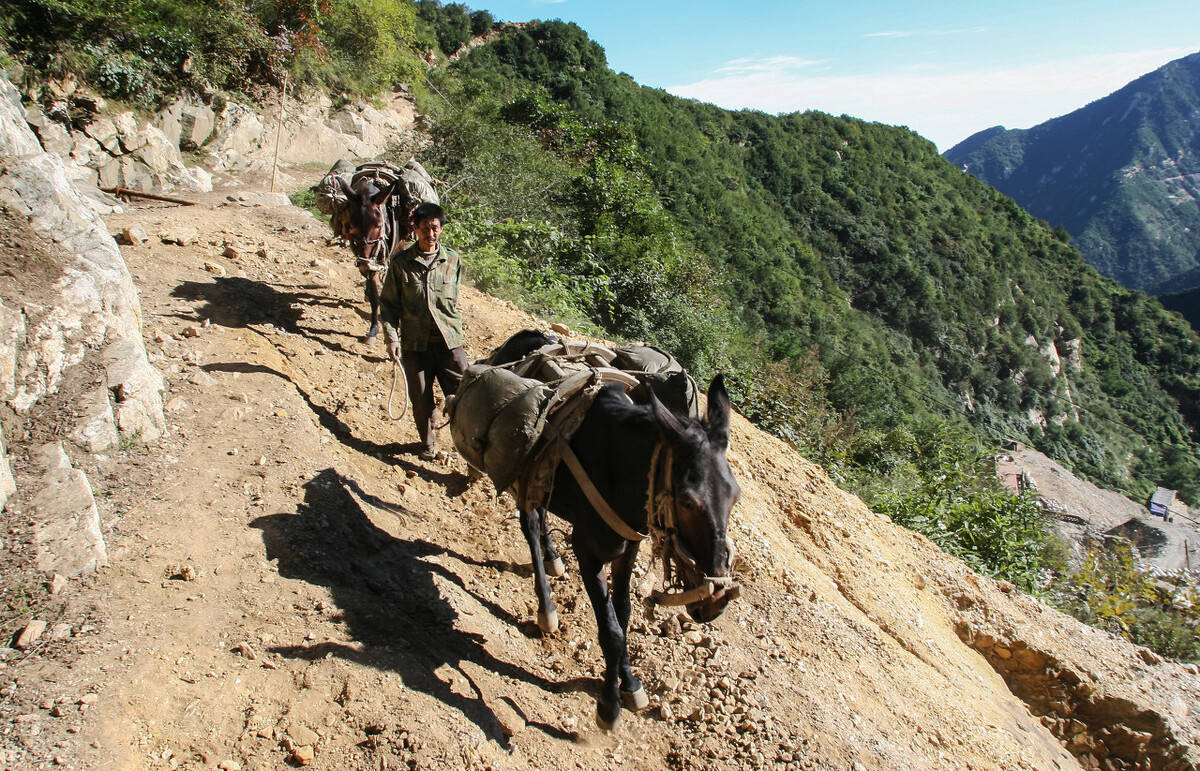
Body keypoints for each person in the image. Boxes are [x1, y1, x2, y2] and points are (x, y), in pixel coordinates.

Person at [379, 202, 468, 461]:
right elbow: (388, 305)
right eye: (425, 228)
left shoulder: (452, 260)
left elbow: (452, 302)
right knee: (420, 399)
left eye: (436, 228)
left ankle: (469, 449)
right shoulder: (400, 263)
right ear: (415, 229)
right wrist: (391, 338)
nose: (431, 234)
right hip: (414, 346)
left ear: (441, 229)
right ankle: (428, 445)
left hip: (449, 343)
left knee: (464, 395)